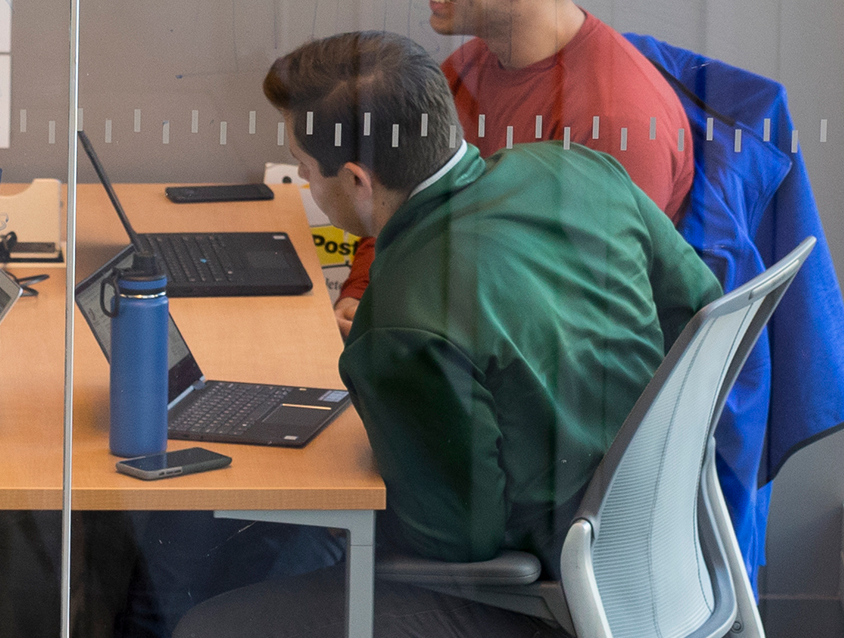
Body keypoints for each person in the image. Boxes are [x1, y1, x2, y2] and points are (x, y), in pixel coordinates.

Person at [174, 31, 720, 637]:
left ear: (357, 179)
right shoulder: (577, 170)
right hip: (669, 554)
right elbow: (699, 308)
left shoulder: (402, 321)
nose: (305, 183)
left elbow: (458, 540)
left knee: (211, 623)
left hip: (547, 598)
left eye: (305, 170)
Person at [333, 0, 694, 336]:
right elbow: (398, 201)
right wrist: (361, 292)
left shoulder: (611, 120)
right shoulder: (465, 70)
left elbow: (582, 321)